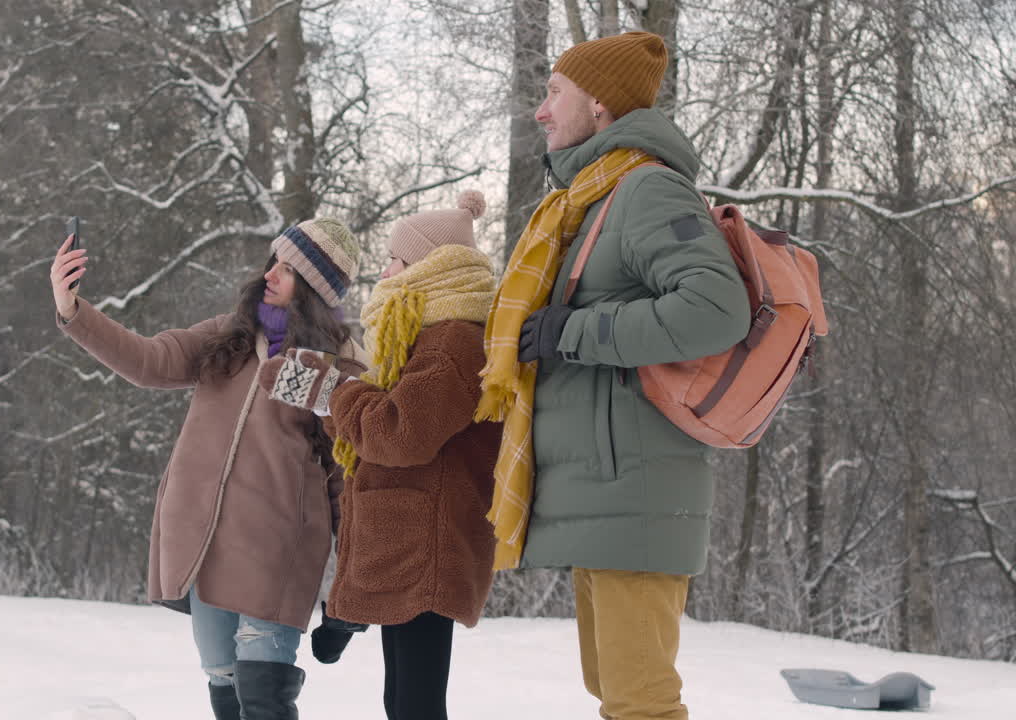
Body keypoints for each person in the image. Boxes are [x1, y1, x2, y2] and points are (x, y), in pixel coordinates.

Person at [474, 32, 752, 720]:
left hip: (636, 485)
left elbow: (718, 310)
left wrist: (572, 333)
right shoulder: (592, 199)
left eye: (555, 94)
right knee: (616, 692)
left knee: (640, 701)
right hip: (603, 489)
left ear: (598, 104)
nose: (541, 111)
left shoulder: (646, 190)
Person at [48, 217, 366, 720]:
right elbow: (148, 360)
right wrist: (72, 310)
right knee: (226, 689)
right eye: (274, 262)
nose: (271, 274)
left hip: (276, 548)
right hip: (204, 541)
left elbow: (347, 476)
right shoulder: (228, 336)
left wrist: (353, 587)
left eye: (289, 269)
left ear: (313, 288)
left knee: (264, 698)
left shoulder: (337, 367)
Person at [258, 191, 502, 720]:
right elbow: (379, 422)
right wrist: (323, 389)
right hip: (409, 543)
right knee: (403, 702)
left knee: (415, 705)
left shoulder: (454, 342)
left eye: (395, 258)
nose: (386, 269)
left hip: (428, 546)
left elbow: (398, 432)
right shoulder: (426, 337)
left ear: (428, 266)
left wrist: (328, 389)